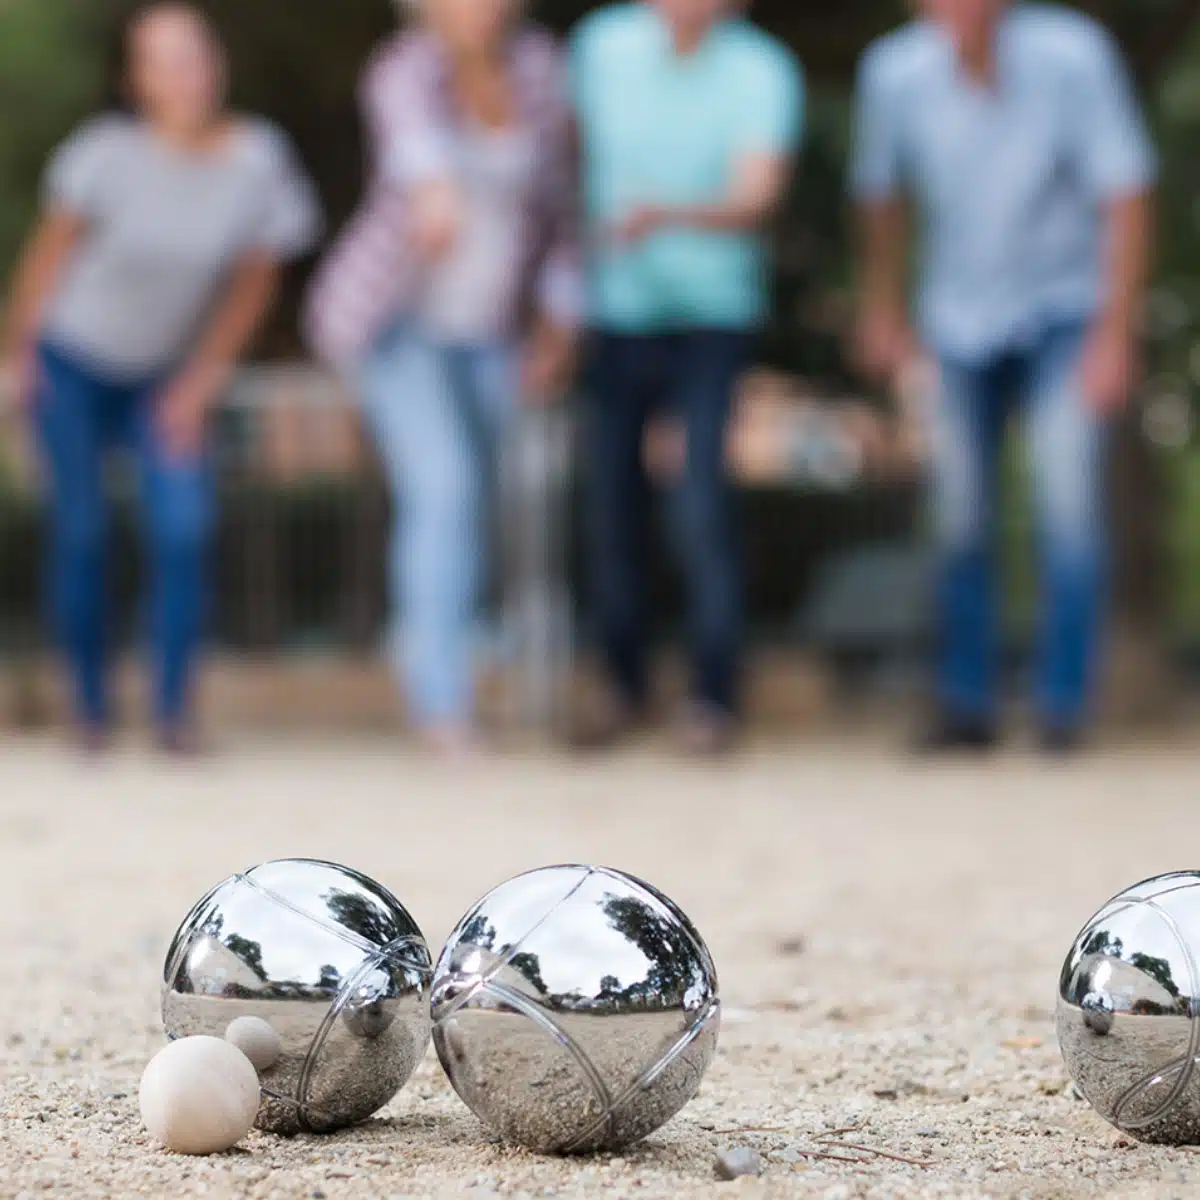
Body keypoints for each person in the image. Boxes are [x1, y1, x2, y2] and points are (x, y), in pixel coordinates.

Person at [0, 3, 321, 753]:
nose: (187, 73)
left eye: (196, 54)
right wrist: (16, 358)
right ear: (136, 79)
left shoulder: (259, 161)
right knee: (80, 530)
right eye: (165, 60)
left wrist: (201, 382)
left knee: (184, 529)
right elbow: (47, 261)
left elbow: (255, 281)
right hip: (73, 362)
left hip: (165, 376)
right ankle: (90, 710)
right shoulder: (102, 154)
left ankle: (174, 712)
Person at [852, 0, 1156, 754]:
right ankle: (966, 704)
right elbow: (882, 197)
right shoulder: (893, 74)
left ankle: (1061, 708)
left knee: (1068, 506)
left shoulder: (1074, 57)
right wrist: (883, 306)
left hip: (1065, 308)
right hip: (956, 314)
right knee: (958, 516)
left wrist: (1116, 332)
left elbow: (1126, 194)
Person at [304, 0, 579, 759]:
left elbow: (562, 210)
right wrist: (434, 196)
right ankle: (441, 703)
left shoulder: (542, 74)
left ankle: (441, 652)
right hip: (395, 325)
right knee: (444, 487)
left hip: (491, 330)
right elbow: (417, 161)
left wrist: (559, 322)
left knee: (485, 501)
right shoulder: (403, 71)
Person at [569, 0, 804, 755]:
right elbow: (566, 167)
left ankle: (714, 694)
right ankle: (622, 681)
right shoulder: (599, 47)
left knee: (700, 500)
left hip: (712, 312)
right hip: (614, 310)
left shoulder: (761, 68)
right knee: (609, 502)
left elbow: (760, 194)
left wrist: (665, 215)